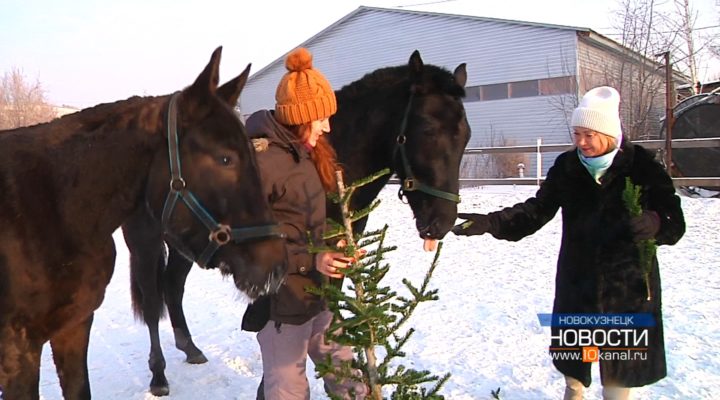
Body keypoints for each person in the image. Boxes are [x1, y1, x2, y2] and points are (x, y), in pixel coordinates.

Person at [452, 86, 685, 400]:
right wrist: (490, 222)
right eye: (576, 134)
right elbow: (536, 210)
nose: (581, 142)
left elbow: (675, 223)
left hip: (627, 287)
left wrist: (656, 222)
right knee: (577, 362)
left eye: (589, 134)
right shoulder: (568, 167)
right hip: (580, 282)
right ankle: (573, 392)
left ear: (609, 133)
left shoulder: (642, 167)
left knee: (619, 369)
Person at [240, 47, 368, 400]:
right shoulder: (262, 164)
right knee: (288, 392)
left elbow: (310, 222)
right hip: (281, 308)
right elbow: (247, 245)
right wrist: (310, 260)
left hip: (318, 298)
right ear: (300, 117)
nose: (327, 126)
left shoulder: (308, 156)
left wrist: (334, 242)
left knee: (350, 380)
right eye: (321, 118)